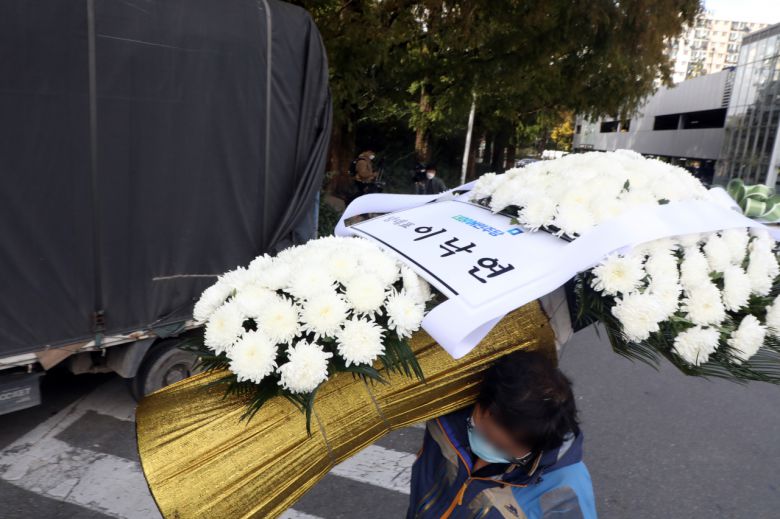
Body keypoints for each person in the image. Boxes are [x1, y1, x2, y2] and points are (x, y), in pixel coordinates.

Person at [407, 350, 596, 519]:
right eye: (484, 433)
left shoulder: (564, 490)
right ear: (480, 400)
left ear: (536, 449)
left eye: (503, 450)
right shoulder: (449, 411)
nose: (484, 458)